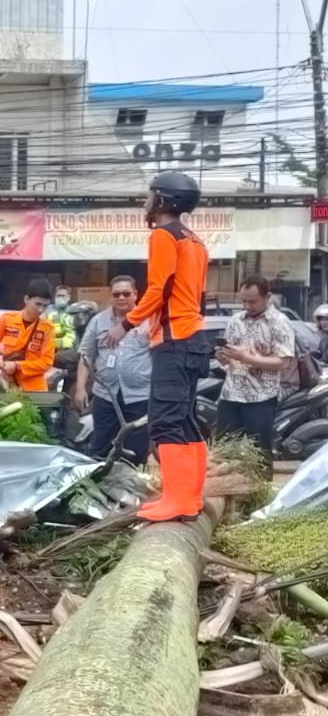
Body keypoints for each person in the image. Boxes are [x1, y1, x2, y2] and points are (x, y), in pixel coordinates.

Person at [101, 171, 210, 522]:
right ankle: (189, 497)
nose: (145, 201)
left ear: (164, 201)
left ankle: (177, 500)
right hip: (193, 338)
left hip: (175, 340)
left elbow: (158, 289)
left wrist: (126, 325)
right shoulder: (195, 240)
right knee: (186, 420)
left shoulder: (164, 235)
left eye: (150, 195)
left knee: (165, 422)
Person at [216, 274, 296, 466]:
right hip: (231, 394)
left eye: (252, 301)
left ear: (267, 297)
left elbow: (283, 362)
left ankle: (261, 493)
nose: (247, 306)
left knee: (259, 453)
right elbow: (226, 355)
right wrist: (223, 356)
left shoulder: (280, 322)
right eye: (243, 301)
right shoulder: (235, 320)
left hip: (260, 397)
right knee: (223, 451)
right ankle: (227, 492)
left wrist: (247, 358)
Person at [76, 276, 152, 464]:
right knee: (100, 446)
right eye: (116, 294)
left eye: (126, 293)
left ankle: (132, 487)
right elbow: (85, 355)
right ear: (111, 296)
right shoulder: (98, 321)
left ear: (136, 294)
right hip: (105, 395)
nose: (121, 298)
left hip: (139, 396)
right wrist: (80, 388)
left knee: (137, 450)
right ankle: (99, 483)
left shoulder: (149, 321)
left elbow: (160, 356)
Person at [0, 279, 57, 392]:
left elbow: (46, 363)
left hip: (35, 389)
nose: (40, 310)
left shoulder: (48, 328)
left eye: (45, 306)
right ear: (26, 299)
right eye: (37, 304)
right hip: (8, 385)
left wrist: (17, 365)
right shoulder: (6, 319)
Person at [45, 285, 77, 350]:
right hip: (51, 348)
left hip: (69, 348)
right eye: (58, 296)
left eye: (63, 296)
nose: (60, 298)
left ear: (69, 297)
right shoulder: (47, 309)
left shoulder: (74, 310)